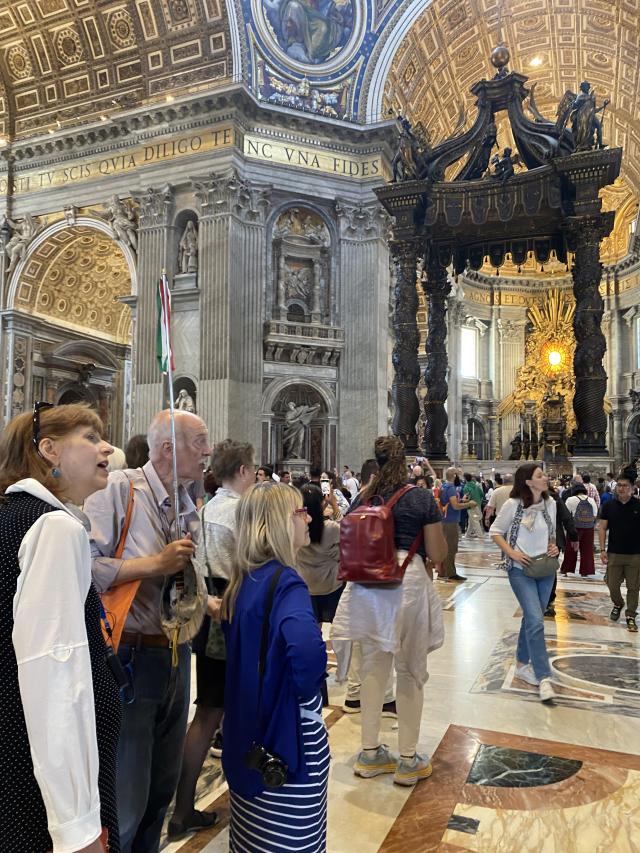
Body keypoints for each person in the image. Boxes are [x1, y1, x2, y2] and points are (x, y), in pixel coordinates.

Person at [84, 409, 212, 853]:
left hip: (175, 654)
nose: (208, 451)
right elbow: (86, 567)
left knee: (161, 789)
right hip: (131, 656)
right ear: (168, 450)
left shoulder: (185, 502)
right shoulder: (119, 491)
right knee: (127, 795)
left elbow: (184, 577)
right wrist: (153, 565)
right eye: (199, 442)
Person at [0, 403, 119, 853]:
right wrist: (78, 827)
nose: (106, 447)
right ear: (49, 450)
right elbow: (54, 677)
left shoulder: (12, 514)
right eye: (90, 436)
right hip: (44, 795)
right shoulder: (53, 527)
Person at [331, 436, 446, 787]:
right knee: (410, 670)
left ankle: (370, 753)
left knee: (372, 667)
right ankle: (409, 758)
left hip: (366, 587)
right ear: (405, 462)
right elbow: (437, 552)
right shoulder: (420, 497)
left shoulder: (363, 497)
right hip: (404, 582)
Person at [221, 482, 329, 852]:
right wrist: (305, 687)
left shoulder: (242, 581)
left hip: (246, 733)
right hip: (286, 736)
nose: (309, 518)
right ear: (279, 523)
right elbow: (306, 653)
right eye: (301, 512)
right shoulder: (287, 583)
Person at [169, 439, 256, 839]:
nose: (254, 475)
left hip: (208, 614)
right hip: (233, 615)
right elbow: (253, 565)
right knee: (231, 713)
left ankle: (183, 807)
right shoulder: (240, 511)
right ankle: (251, 806)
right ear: (241, 470)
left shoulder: (204, 511)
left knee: (206, 713)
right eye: (252, 469)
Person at [490, 463, 559, 702]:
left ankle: (521, 663)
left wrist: (554, 545)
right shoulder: (513, 505)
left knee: (532, 618)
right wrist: (512, 553)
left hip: (545, 568)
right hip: (521, 570)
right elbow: (495, 531)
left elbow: (550, 532)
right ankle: (543, 676)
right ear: (528, 481)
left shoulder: (551, 504)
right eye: (540, 475)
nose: (545, 478)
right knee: (536, 621)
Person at [598, 472, 640, 633]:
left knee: (633, 587)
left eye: (625, 486)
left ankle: (630, 615)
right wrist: (602, 549)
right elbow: (602, 528)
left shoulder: (638, 506)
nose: (621, 489)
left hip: (635, 554)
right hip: (614, 552)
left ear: (632, 488)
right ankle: (618, 603)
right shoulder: (609, 506)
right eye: (619, 485)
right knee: (612, 584)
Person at [544, 484, 578, 617]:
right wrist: (574, 537)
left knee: (540, 570)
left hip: (544, 541)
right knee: (550, 571)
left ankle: (544, 600)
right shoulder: (555, 498)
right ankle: (548, 600)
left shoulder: (553, 499)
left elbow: (566, 519)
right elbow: (567, 519)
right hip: (554, 540)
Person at [439, 466, 473, 580]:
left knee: (446, 547)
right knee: (451, 548)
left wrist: (462, 500)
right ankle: (451, 573)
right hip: (450, 521)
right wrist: (470, 504)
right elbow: (455, 506)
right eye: (458, 474)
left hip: (445, 520)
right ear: (454, 476)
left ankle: (443, 571)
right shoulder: (451, 488)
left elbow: (451, 502)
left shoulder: (445, 486)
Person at [561, 484, 597, 577]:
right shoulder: (591, 500)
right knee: (587, 550)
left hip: (575, 528)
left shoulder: (571, 500)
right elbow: (595, 514)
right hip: (589, 528)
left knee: (571, 549)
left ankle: (567, 569)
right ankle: (586, 571)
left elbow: (566, 514)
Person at [463, 473, 484, 538]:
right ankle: (467, 534)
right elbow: (482, 494)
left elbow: (466, 498)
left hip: (471, 506)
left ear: (465, 479)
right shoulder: (476, 486)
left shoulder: (466, 487)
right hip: (478, 505)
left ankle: (480, 536)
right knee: (471, 521)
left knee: (474, 520)